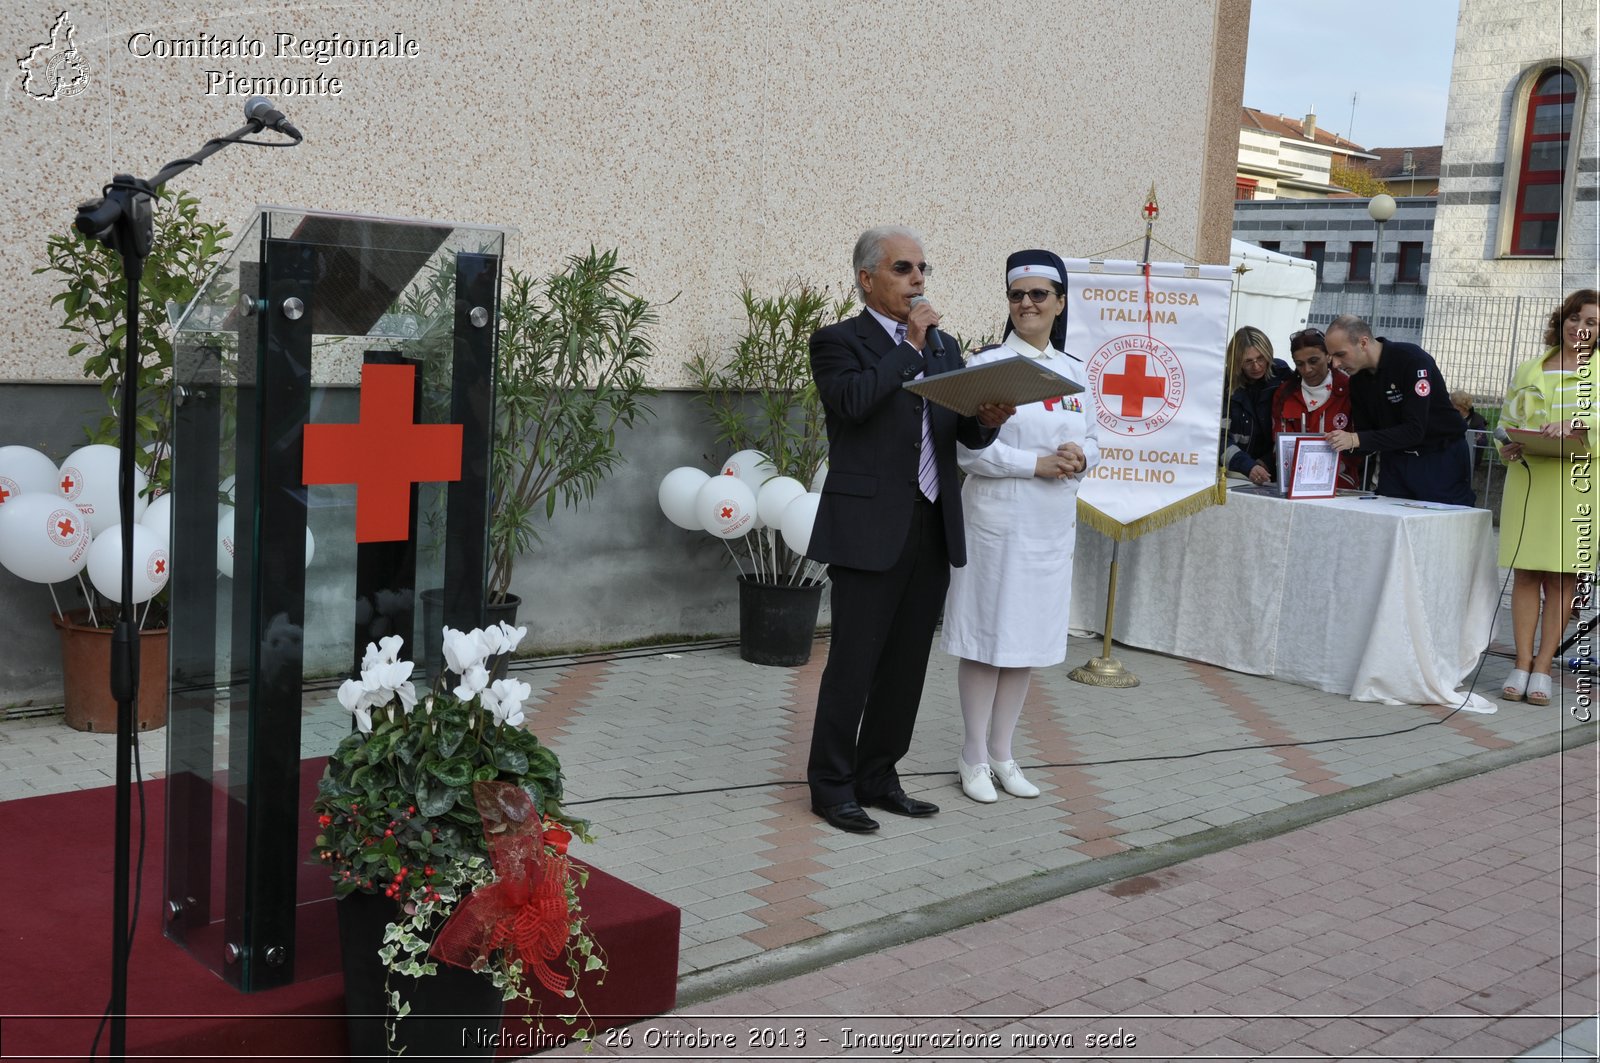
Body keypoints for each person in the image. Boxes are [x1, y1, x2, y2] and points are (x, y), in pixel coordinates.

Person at [805, 226, 1014, 833]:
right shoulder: (838, 341)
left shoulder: (946, 349)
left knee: (905, 666)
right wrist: (908, 347)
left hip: (931, 523)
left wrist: (988, 420)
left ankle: (878, 774)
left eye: (923, 267)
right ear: (867, 279)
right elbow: (852, 404)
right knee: (854, 664)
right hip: (869, 528)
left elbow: (955, 436)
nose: (918, 278)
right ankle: (831, 785)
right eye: (903, 268)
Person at [940, 249, 1099, 804]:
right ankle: (972, 756)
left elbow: (1096, 438)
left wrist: (1082, 457)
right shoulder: (989, 365)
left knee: (1025, 641)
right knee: (987, 641)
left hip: (1050, 526)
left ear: (1059, 301)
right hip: (998, 522)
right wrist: (1036, 465)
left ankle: (1004, 754)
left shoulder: (1075, 370)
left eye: (1037, 295)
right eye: (1016, 295)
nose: (1026, 304)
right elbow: (967, 452)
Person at [1496, 289, 1598, 706]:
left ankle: (1543, 667)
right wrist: (1509, 446)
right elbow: (1508, 419)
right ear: (1562, 320)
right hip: (1529, 480)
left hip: (1577, 485)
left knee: (1562, 578)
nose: (1582, 327)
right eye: (1576, 318)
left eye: (1592, 322)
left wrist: (1575, 423)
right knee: (1525, 574)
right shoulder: (1528, 369)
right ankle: (1520, 664)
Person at [1323, 315, 1475, 506]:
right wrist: (1330, 444)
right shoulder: (1357, 381)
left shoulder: (1411, 360)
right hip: (1395, 462)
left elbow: (1414, 430)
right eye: (1331, 357)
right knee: (1387, 523)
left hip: (1439, 458)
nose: (1335, 364)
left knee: (1439, 527)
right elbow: (1368, 438)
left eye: (1340, 354)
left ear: (1363, 343)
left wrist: (1355, 439)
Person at [1271, 327, 1360, 490]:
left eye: (1313, 361)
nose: (1307, 370)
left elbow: (1360, 447)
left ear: (1328, 356)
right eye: (1299, 364)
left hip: (1339, 482)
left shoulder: (1349, 389)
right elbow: (1279, 443)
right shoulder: (1284, 393)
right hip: (1293, 482)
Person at [1222, 326, 1293, 485]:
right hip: (1233, 473)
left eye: (1261, 358)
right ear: (1236, 362)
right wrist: (1248, 466)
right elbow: (1218, 438)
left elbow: (1291, 430)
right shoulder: (1223, 384)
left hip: (1274, 469)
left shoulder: (1281, 375)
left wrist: (1266, 462)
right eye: (1248, 361)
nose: (1256, 366)